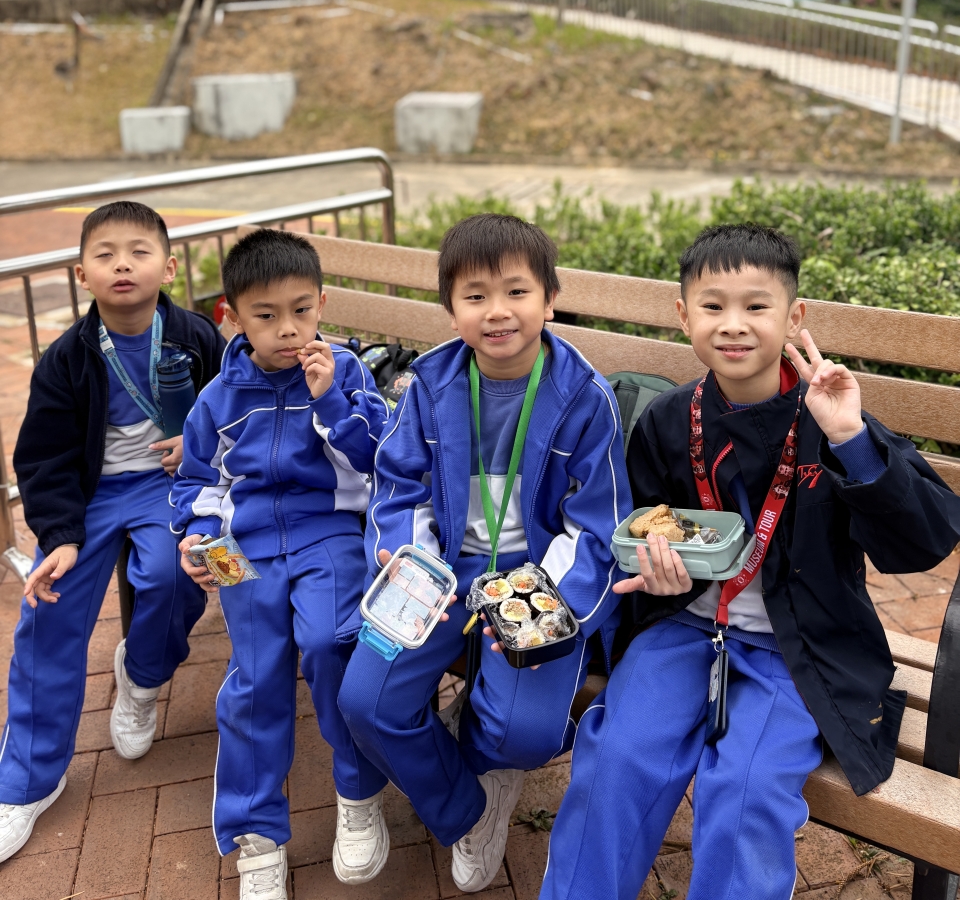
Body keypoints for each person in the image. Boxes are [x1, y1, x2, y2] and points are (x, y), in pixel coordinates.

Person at [540, 223, 960, 900]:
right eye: (713, 306)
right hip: (684, 628)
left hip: (798, 648)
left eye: (756, 306)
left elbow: (924, 541)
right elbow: (637, 534)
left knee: (745, 792)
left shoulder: (828, 416)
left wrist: (851, 438)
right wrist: (656, 577)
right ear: (685, 317)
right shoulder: (669, 422)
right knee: (616, 758)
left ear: (794, 317)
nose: (733, 324)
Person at [338, 213, 629, 894]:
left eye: (517, 292)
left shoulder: (585, 398)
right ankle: (467, 804)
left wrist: (544, 603)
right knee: (366, 701)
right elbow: (397, 486)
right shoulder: (430, 386)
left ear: (549, 300)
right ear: (451, 310)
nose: (497, 311)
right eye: (475, 296)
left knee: (528, 734)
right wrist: (412, 558)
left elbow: (599, 525)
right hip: (440, 572)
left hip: (534, 581)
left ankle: (487, 757)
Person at [0, 201, 224, 863]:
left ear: (169, 267)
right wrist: (60, 535)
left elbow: (235, 410)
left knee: (176, 572)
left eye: (138, 251)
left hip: (169, 488)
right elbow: (43, 458)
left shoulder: (196, 336)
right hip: (89, 496)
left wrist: (199, 443)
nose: (122, 265)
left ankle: (142, 677)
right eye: (105, 255)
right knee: (49, 607)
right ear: (82, 274)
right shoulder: (66, 358)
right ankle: (27, 782)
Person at [172, 228, 390, 899]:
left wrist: (330, 401)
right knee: (255, 675)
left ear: (322, 304)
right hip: (244, 549)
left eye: (301, 310)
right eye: (266, 316)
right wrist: (198, 534)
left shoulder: (345, 372)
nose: (288, 330)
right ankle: (256, 834)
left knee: (331, 645)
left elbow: (381, 459)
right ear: (233, 318)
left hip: (330, 534)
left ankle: (358, 794)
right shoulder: (217, 398)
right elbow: (198, 481)